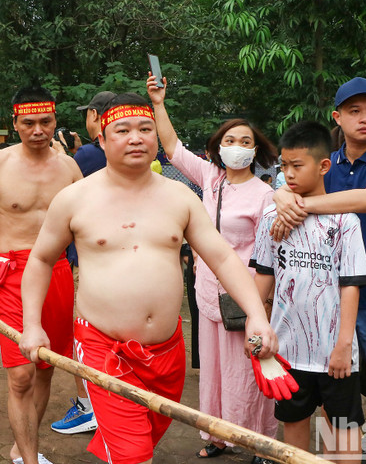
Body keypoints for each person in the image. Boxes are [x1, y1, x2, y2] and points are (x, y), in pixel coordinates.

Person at [18, 92, 279, 464]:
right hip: (103, 348)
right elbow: (41, 259)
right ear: (102, 139)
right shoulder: (74, 199)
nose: (136, 137)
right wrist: (32, 325)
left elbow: (221, 256)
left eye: (145, 128)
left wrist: (255, 313)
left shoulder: (181, 197)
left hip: (167, 352)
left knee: (143, 438)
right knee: (133, 453)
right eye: (122, 130)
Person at [272, 77, 366, 463]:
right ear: (337, 117)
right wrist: (280, 193)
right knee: (334, 399)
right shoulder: (326, 164)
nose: (365, 118)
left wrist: (296, 204)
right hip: (327, 305)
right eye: (354, 111)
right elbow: (288, 181)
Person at [146, 76, 278, 460]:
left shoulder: (265, 195)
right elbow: (171, 147)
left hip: (245, 296)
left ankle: (258, 441)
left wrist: (262, 305)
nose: (237, 147)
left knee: (247, 373)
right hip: (206, 292)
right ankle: (217, 435)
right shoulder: (211, 179)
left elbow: (268, 253)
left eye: (246, 141)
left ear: (256, 151)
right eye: (230, 141)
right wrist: (158, 102)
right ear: (218, 148)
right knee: (215, 371)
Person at [0, 86, 82, 464]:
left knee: (44, 369)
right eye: (28, 123)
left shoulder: (69, 168)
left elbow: (86, 227)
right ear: (15, 123)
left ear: (55, 121)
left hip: (57, 272)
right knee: (21, 374)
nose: (38, 130)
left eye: (45, 122)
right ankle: (27, 456)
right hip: (10, 274)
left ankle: (25, 446)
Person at [251, 121, 366, 462]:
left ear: (323, 166)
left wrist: (343, 345)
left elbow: (350, 285)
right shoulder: (271, 217)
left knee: (345, 432)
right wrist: (255, 328)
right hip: (286, 349)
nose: (287, 174)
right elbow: (263, 278)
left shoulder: (344, 220)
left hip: (334, 350)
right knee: (293, 428)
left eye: (296, 165)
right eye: (283, 166)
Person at [49, 90, 116, 436]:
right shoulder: (113, 154)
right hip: (119, 260)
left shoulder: (88, 154)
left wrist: (66, 156)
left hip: (85, 260)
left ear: (94, 116)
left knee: (83, 334)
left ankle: (88, 405)